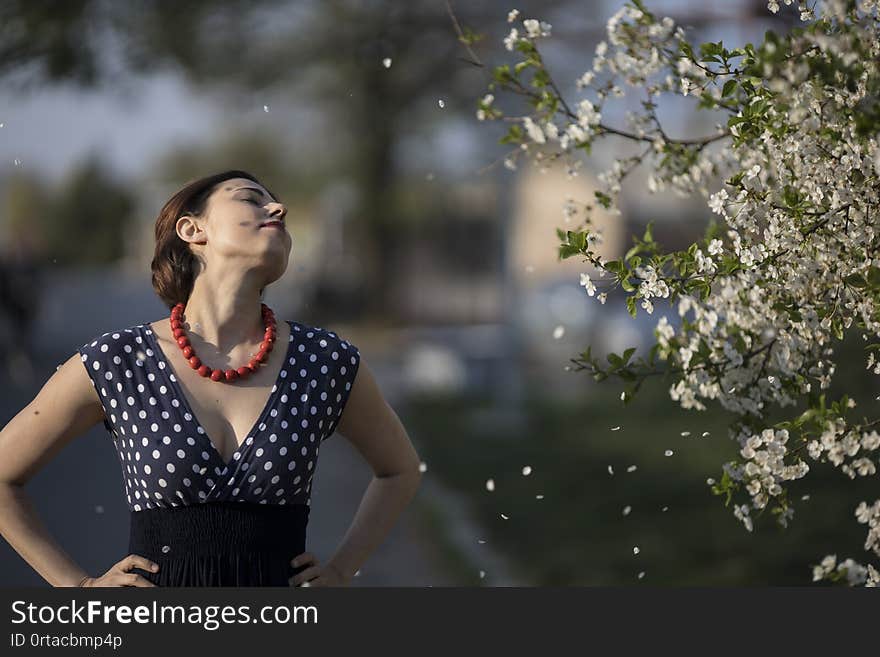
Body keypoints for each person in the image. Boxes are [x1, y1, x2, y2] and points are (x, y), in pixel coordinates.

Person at [0, 170, 423, 587]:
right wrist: (81, 589)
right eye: (249, 199)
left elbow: (400, 470)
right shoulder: (119, 362)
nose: (277, 207)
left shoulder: (326, 361)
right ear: (192, 229)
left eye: (275, 204)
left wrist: (340, 570)